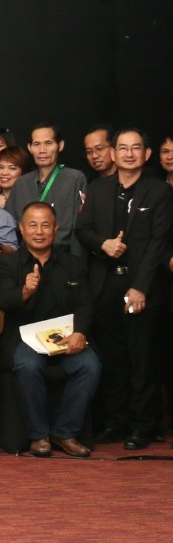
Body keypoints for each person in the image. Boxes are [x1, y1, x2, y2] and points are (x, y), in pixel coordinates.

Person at [76, 128, 170, 450]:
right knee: (113, 358)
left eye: (136, 148)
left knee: (142, 359)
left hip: (142, 286)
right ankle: (116, 422)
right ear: (113, 153)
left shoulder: (159, 192)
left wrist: (140, 287)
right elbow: (82, 229)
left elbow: (159, 242)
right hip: (105, 285)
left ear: (147, 154)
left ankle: (143, 425)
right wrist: (102, 244)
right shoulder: (98, 188)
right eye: (123, 148)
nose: (129, 154)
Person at [0, 202, 101, 457]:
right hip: (25, 340)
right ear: (21, 229)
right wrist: (25, 291)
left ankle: (65, 432)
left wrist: (80, 333)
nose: (39, 231)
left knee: (90, 365)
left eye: (45, 225)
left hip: (65, 339)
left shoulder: (72, 262)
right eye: (32, 225)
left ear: (56, 229)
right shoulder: (9, 263)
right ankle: (39, 435)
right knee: (28, 366)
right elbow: (3, 301)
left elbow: (85, 304)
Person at [6, 123, 88, 257]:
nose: (42, 150)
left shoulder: (75, 179)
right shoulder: (21, 183)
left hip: (62, 258)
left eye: (48, 143)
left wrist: (76, 263)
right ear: (29, 148)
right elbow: (8, 226)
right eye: (36, 144)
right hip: (26, 259)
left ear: (60, 145)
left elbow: (79, 228)